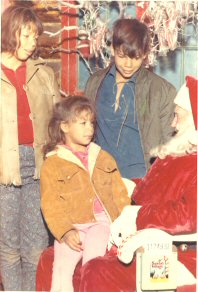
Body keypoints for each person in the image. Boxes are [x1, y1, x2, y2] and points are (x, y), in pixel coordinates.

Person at [78, 75, 197, 291]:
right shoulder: (178, 154)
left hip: (175, 254)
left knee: (95, 270)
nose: (172, 123)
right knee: (67, 261)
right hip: (144, 239)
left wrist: (139, 214)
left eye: (177, 117)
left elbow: (188, 217)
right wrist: (120, 184)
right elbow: (152, 189)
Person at [40, 96, 132, 292]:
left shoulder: (102, 157)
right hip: (72, 225)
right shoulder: (53, 163)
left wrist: (124, 225)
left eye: (91, 123)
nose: (89, 128)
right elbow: (50, 203)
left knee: (93, 265)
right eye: (82, 123)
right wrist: (65, 231)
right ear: (64, 126)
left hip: (101, 222)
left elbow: (120, 195)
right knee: (61, 269)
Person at [0, 5, 60, 291]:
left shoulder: (43, 74)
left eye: (35, 37)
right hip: (4, 170)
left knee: (36, 246)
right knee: (9, 248)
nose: (32, 43)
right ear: (10, 33)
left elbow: (58, 122)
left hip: (38, 166)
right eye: (26, 36)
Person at [85, 18, 177, 179]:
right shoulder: (95, 83)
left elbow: (169, 147)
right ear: (112, 49)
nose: (128, 64)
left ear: (145, 54)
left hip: (141, 181)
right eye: (122, 56)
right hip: (99, 178)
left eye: (135, 57)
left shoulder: (161, 91)